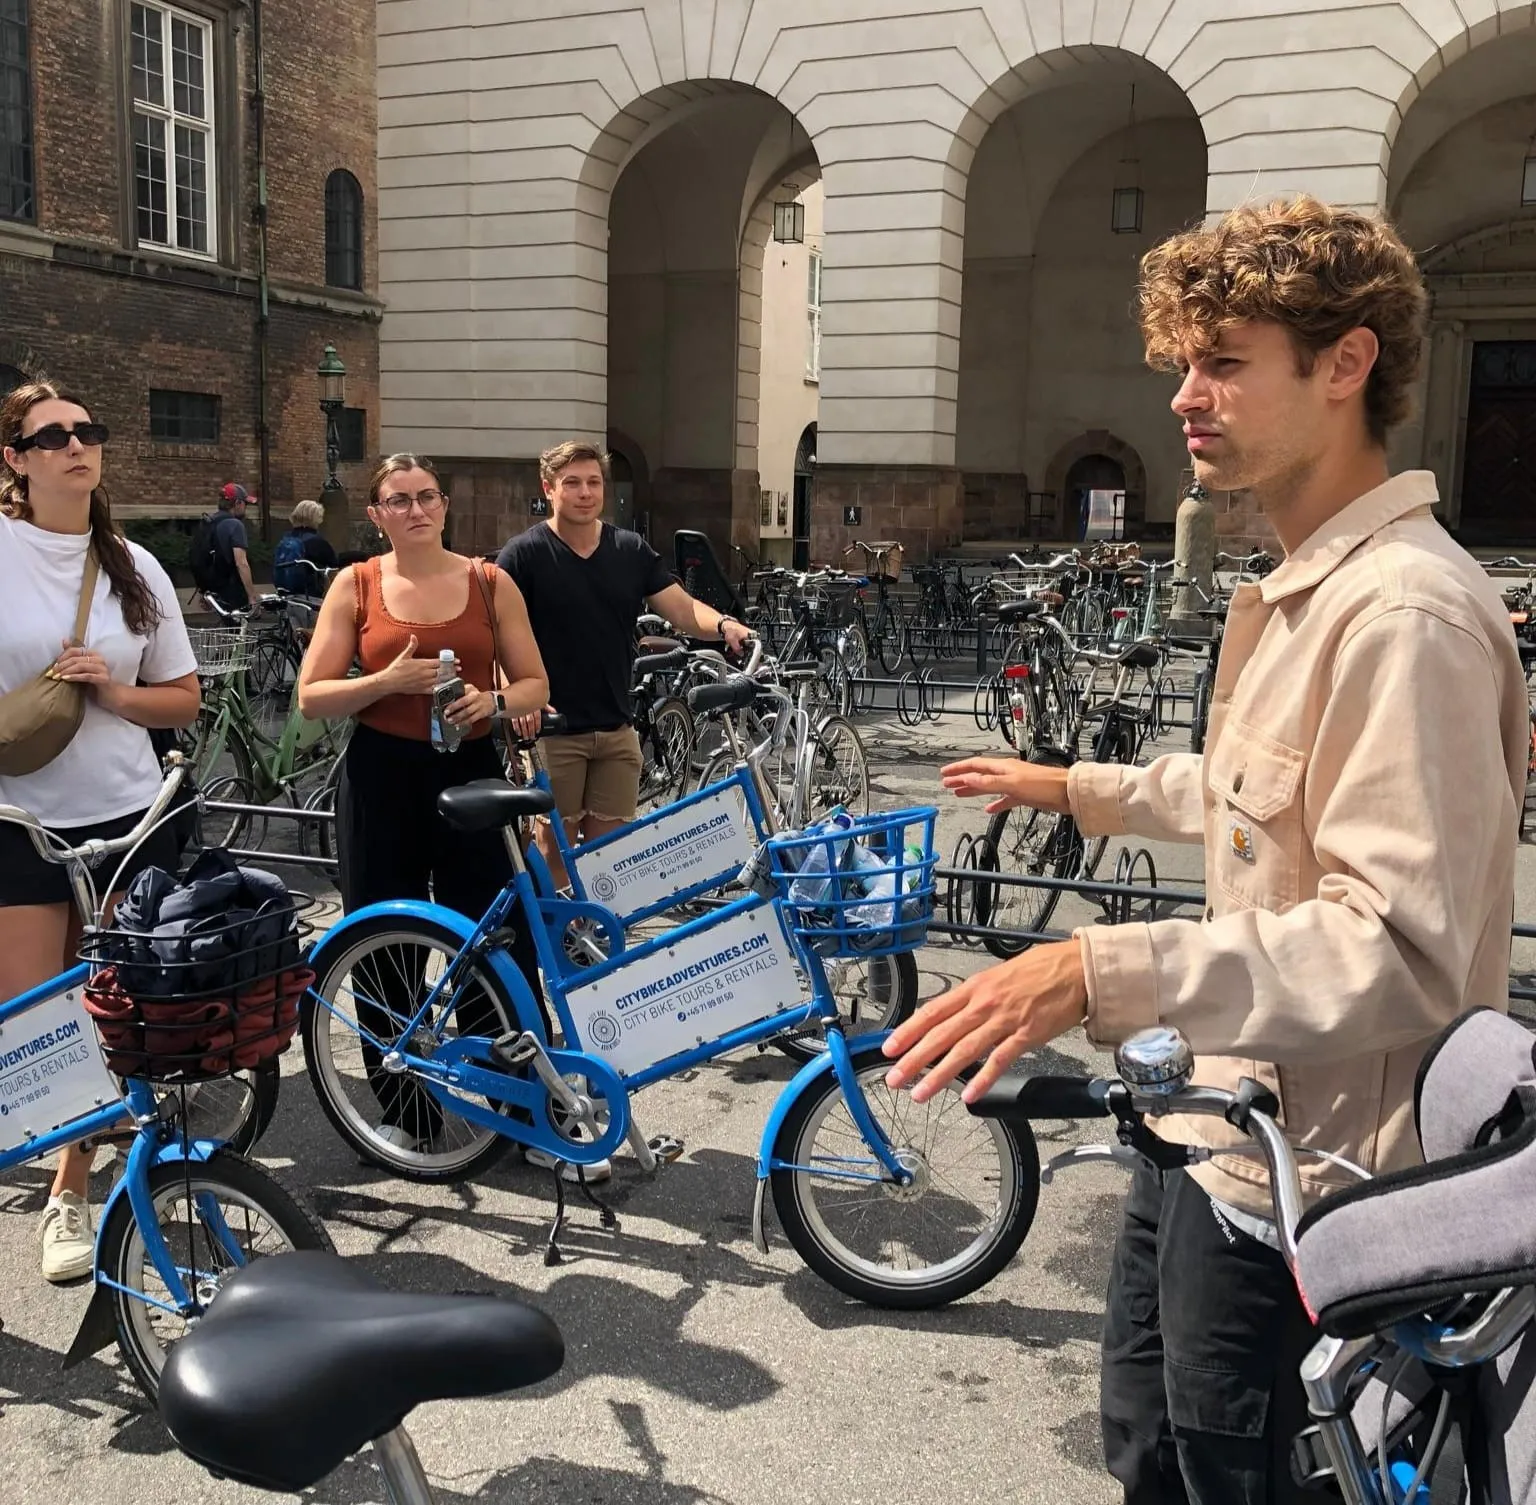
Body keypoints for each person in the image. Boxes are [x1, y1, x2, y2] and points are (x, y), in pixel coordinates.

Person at [883, 196, 1529, 1504]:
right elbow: (1248, 795)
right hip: (1206, 1125)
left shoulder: (1404, 613)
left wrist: (1090, 970)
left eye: (1225, 360)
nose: (1186, 394)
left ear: (1345, 366)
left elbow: (1394, 945)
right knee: (1153, 1453)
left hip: (1320, 1188)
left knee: (1233, 1477)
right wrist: (1074, 783)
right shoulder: (1302, 589)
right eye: (1183, 359)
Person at [296, 455, 590, 1176]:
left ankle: (524, 1110)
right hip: (380, 777)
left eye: (426, 496)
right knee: (381, 939)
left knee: (499, 940)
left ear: (445, 506)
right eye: (399, 500)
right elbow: (311, 695)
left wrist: (492, 703)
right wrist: (385, 681)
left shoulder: (490, 582)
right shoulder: (356, 583)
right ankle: (406, 1111)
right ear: (377, 515)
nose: (415, 509)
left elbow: (534, 683)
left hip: (470, 772)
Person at [0, 381, 201, 1282]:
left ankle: (68, 1188)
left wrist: (111, 690)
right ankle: (60, 1140)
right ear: (16, 458)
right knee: (37, 1014)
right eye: (53, 435)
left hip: (129, 818)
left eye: (89, 430)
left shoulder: (134, 564)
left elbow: (184, 697)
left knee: (105, 1006)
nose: (77, 445)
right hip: (18, 821)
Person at [497, 440, 754, 885]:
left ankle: (594, 944)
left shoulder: (629, 550)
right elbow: (496, 635)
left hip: (616, 726)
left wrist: (725, 624)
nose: (584, 492)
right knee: (552, 846)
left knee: (609, 856)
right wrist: (515, 696)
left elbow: (682, 608)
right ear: (549, 488)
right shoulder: (524, 555)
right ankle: (555, 944)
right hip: (552, 729)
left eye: (593, 482)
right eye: (572, 483)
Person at [203, 482, 257, 610]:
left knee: (226, 628)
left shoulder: (209, 522)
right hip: (232, 591)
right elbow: (241, 563)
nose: (246, 507)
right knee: (237, 629)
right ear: (237, 503)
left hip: (214, 591)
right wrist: (252, 596)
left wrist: (203, 590)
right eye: (245, 503)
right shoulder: (235, 525)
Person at [272, 498, 339, 594]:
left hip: (285, 592)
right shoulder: (317, 542)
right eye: (320, 517)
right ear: (315, 519)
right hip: (309, 594)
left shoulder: (286, 538)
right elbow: (334, 566)